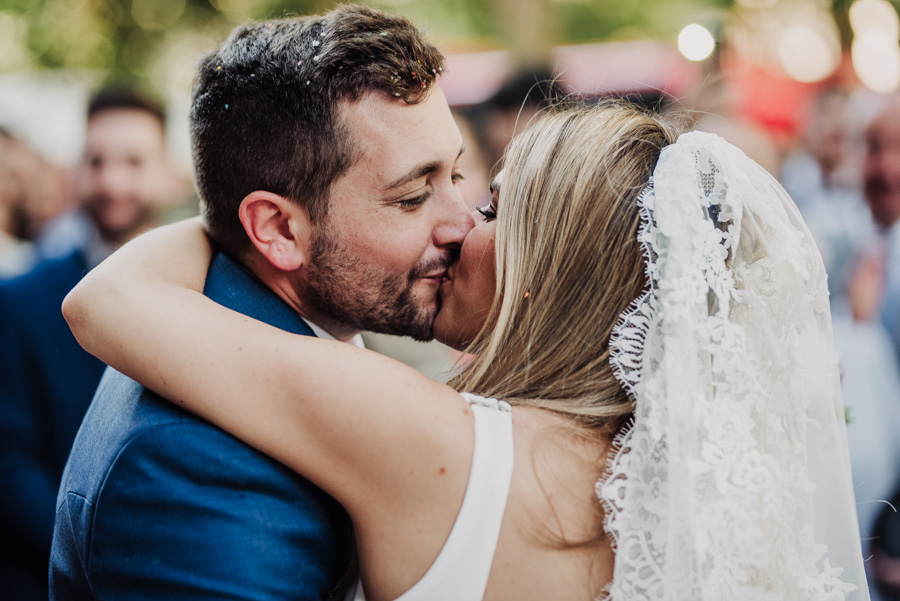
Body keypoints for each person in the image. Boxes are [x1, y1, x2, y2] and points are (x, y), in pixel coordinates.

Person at [62, 99, 871, 600]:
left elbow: (108, 300)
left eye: (488, 207)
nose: (453, 226)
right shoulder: (704, 478)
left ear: (543, 273)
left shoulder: (440, 443)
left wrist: (252, 204)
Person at [50, 5, 474, 601]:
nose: (464, 224)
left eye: (455, 176)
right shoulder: (190, 468)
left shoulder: (244, 320)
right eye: (411, 196)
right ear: (276, 228)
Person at [0, 85, 179, 601]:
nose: (112, 181)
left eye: (133, 161)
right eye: (96, 161)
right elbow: (8, 460)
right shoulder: (19, 301)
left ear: (168, 173)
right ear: (78, 171)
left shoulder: (211, 299)